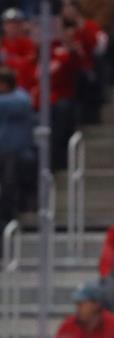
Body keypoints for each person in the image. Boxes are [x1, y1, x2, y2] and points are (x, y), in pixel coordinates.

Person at [0, 66, 34, 224]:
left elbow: (7, 104)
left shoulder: (20, 99)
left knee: (9, 184)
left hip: (13, 150)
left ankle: (9, 217)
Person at [0, 9, 37, 92]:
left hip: (25, 87)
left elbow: (29, 64)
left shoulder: (28, 43)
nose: (13, 26)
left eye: (16, 23)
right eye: (9, 23)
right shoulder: (1, 43)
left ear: (21, 25)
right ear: (3, 25)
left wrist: (10, 62)